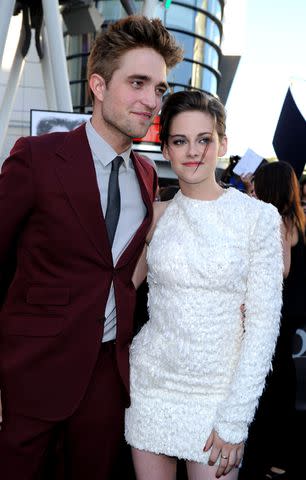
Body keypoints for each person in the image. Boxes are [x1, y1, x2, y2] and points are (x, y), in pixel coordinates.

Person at [0, 15, 183, 480]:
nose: (150, 101)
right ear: (98, 86)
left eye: (159, 89)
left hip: (106, 377)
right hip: (30, 372)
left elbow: (121, 270)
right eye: (137, 83)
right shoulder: (37, 158)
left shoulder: (146, 175)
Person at [125, 90, 284, 480]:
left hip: (219, 397)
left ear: (222, 143)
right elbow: (119, 290)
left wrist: (235, 418)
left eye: (204, 139)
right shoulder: (156, 216)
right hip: (151, 388)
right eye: (180, 141)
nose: (192, 151)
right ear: (165, 149)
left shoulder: (259, 219)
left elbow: (264, 325)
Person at [239, 161, 306, 480]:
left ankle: (269, 456)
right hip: (292, 310)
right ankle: (278, 456)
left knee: (272, 384)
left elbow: (282, 269)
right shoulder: (296, 217)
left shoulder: (277, 220)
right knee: (282, 384)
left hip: (279, 312)